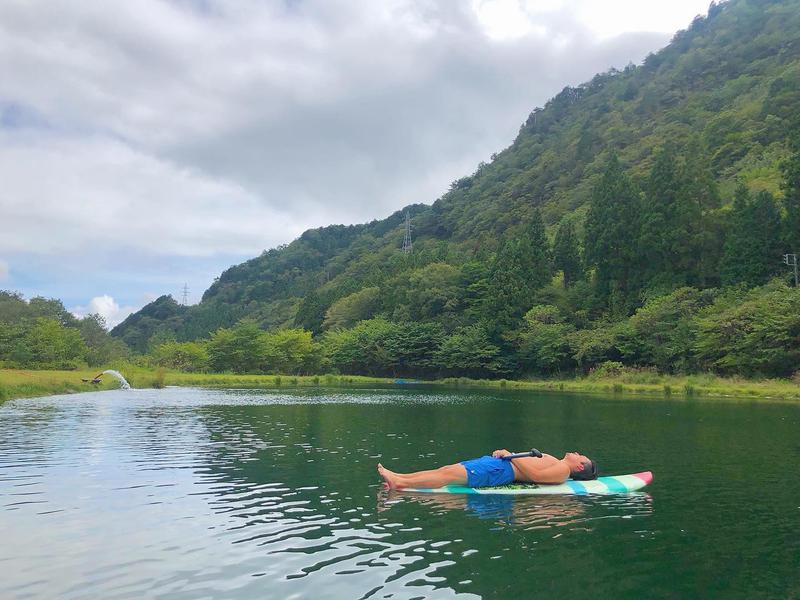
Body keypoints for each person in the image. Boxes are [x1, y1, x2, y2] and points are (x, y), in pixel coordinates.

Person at [377, 449, 598, 491]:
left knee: (447, 475)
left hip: (500, 471)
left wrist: (509, 455)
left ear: (579, 466)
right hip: (499, 465)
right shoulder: (557, 461)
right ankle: (399, 476)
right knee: (445, 469)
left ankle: (401, 484)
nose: (577, 452)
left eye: (582, 456)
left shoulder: (563, 471)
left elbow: (537, 476)